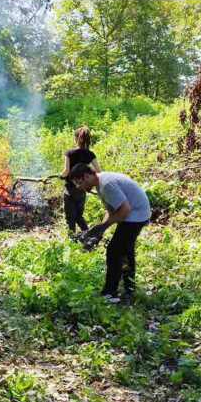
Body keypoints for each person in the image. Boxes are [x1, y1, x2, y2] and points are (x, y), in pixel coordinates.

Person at [70, 163, 151, 305]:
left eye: (79, 183)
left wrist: (103, 226)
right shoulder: (101, 184)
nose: (78, 187)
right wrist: (99, 231)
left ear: (87, 176)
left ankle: (110, 293)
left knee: (114, 251)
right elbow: (111, 211)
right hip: (136, 213)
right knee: (126, 250)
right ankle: (129, 289)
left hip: (136, 214)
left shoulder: (107, 184)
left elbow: (124, 209)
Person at [59, 126, 103, 234]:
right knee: (79, 216)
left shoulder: (69, 152)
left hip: (70, 189)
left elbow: (66, 171)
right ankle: (89, 235)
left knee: (70, 218)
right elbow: (99, 172)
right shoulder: (90, 154)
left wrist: (60, 176)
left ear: (76, 138)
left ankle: (72, 240)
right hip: (82, 189)